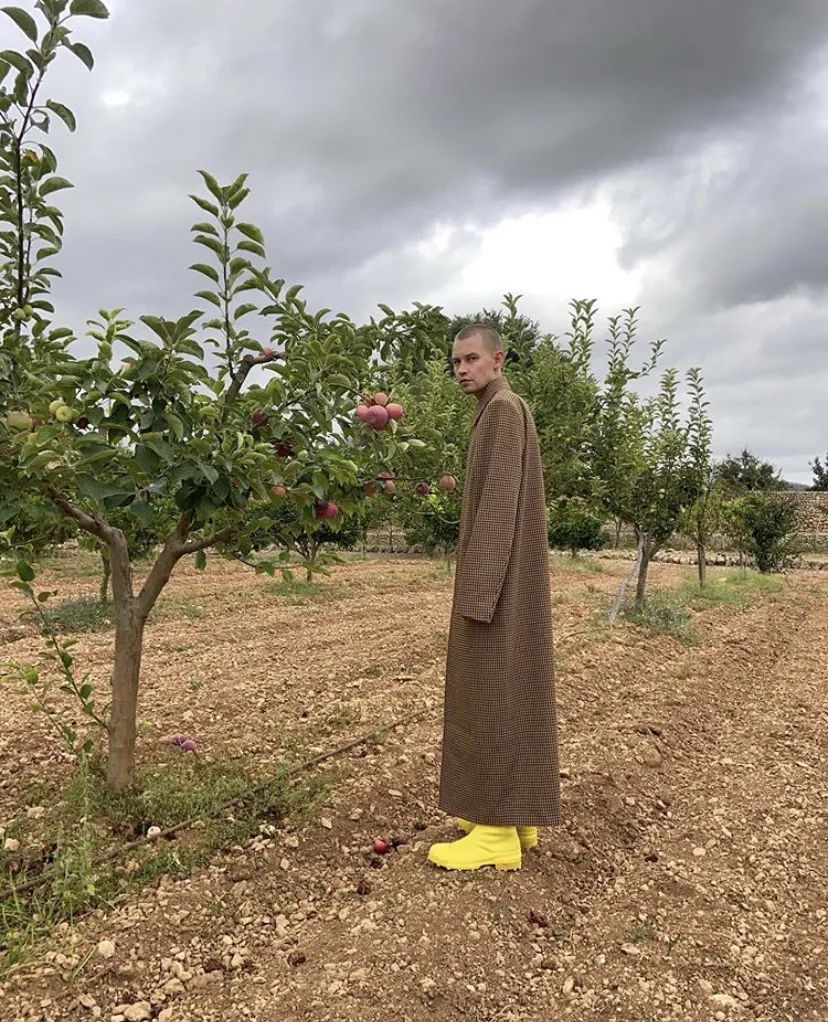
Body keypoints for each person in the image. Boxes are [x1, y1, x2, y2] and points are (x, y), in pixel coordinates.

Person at [428, 323, 561, 872]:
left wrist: (478, 594)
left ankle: (495, 834)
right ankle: (515, 814)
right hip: (510, 575)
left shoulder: (504, 411)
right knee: (514, 689)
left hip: (496, 581)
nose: (462, 369)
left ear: (498, 358)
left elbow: (499, 504)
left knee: (489, 692)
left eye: (471, 359)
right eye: (456, 361)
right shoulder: (502, 409)